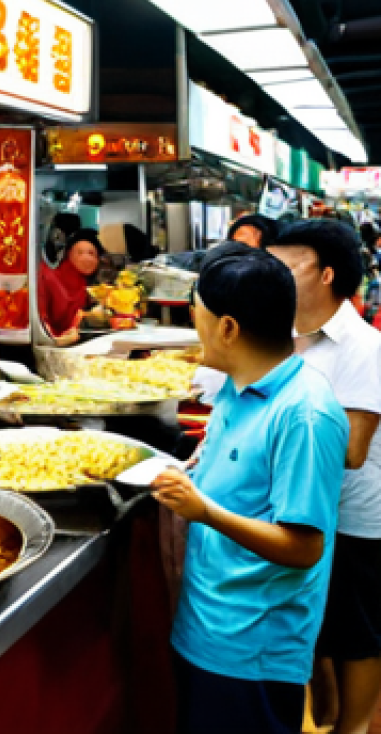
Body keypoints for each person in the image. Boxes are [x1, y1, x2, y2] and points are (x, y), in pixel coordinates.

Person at [153, 245, 348, 734]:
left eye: (196, 312)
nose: (191, 322)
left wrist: (204, 511)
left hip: (252, 649)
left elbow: (304, 546)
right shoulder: (238, 385)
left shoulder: (305, 414)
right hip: (205, 627)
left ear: (228, 328)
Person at [270, 220, 381, 734]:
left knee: (359, 633)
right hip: (308, 507)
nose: (271, 274)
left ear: (327, 274)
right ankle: (331, 715)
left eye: (287, 265)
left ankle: (356, 726)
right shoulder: (287, 337)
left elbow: (354, 451)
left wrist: (262, 447)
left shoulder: (364, 347)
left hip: (357, 516)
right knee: (322, 626)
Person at [37, 228, 105, 346]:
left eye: (92, 254)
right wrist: (56, 340)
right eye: (79, 253)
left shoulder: (85, 287)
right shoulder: (46, 277)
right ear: (68, 254)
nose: (86, 258)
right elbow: (40, 323)